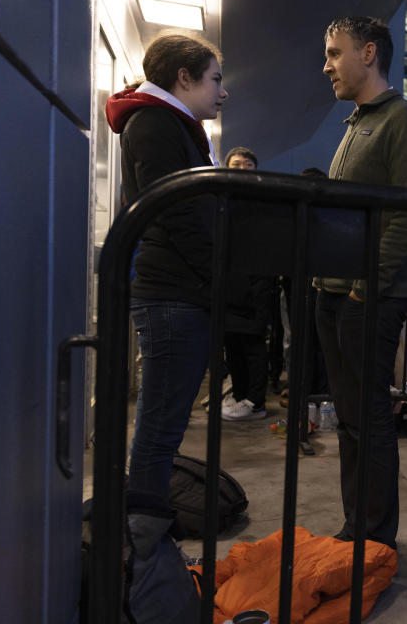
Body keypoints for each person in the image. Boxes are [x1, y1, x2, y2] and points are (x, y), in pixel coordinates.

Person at [105, 32, 228, 623]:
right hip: (175, 295)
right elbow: (180, 213)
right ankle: (140, 547)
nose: (221, 91)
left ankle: (141, 537)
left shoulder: (162, 123)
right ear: (183, 78)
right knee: (159, 425)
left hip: (179, 292)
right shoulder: (154, 125)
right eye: (213, 79)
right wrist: (219, 280)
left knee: (161, 422)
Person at [314, 16, 407, 549]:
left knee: (368, 419)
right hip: (335, 292)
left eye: (334, 53)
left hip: (368, 295)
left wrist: (368, 283)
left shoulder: (402, 119)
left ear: (368, 53)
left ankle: (375, 536)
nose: (327, 65)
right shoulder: (356, 122)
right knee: (349, 420)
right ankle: (354, 528)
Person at [220, 146, 273, 422]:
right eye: (236, 164)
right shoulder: (224, 199)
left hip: (256, 282)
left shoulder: (262, 200)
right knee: (234, 346)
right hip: (230, 285)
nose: (241, 169)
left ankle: (255, 402)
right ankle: (240, 395)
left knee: (253, 345)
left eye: (247, 165)